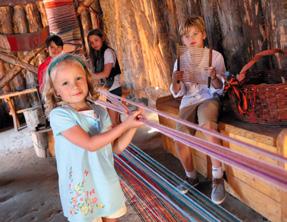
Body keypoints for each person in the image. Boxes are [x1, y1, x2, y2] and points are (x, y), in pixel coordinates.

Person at [42, 53, 143, 222]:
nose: (74, 86)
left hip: (105, 181)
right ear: (56, 91)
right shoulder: (60, 115)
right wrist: (125, 125)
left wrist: (133, 126)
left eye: (78, 78)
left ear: (87, 80)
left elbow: (115, 148)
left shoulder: (101, 112)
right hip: (82, 189)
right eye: (65, 83)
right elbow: (90, 144)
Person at [170, 16, 226, 204]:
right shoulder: (180, 60)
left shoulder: (215, 56)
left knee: (208, 126)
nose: (191, 38)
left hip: (208, 98)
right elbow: (178, 93)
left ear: (203, 35)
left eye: (195, 33)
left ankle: (217, 178)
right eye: (186, 36)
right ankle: (191, 177)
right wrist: (175, 80)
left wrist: (214, 77)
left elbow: (220, 89)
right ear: (183, 40)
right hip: (188, 101)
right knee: (179, 136)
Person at [87, 29, 122, 127]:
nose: (94, 44)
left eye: (96, 40)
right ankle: (123, 141)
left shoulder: (108, 52)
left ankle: (120, 142)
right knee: (116, 122)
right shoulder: (98, 55)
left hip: (114, 89)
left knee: (114, 123)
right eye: (91, 42)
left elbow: (106, 74)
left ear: (102, 38)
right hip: (109, 90)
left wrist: (88, 76)